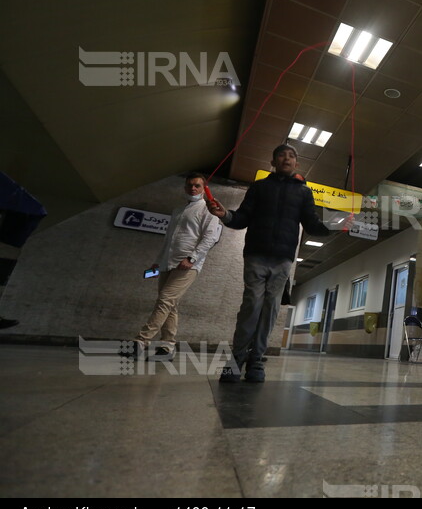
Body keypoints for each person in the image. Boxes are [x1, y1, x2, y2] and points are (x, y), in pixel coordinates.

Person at [206, 144, 329, 382]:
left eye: (292, 156)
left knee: (270, 309)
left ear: (297, 164)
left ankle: (256, 361)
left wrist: (336, 225)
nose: (287, 158)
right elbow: (242, 218)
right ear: (273, 162)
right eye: (282, 155)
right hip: (256, 256)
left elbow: (313, 225)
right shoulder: (260, 187)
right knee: (251, 306)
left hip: (283, 261)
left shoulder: (304, 192)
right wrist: (225, 215)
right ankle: (237, 357)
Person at [121, 173, 222, 359]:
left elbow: (210, 238)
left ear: (204, 188)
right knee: (170, 305)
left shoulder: (209, 210)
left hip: (188, 265)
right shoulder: (177, 210)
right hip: (168, 262)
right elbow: (169, 239)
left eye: (197, 186)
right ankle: (167, 347)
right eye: (190, 185)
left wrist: (191, 258)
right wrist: (158, 261)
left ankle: (140, 342)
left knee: (165, 299)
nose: (193, 188)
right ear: (185, 188)